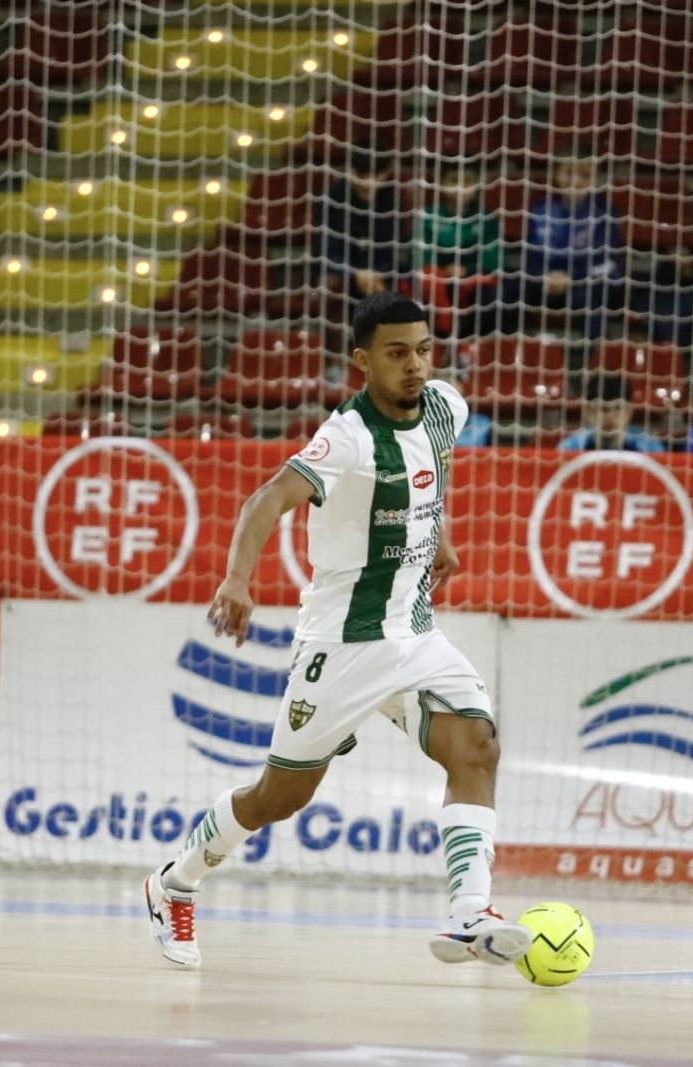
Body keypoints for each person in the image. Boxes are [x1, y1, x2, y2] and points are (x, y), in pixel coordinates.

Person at [143, 292, 533, 971]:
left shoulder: (445, 406)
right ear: (362, 360)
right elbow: (266, 498)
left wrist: (437, 532)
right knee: (280, 798)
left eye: (422, 349)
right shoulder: (346, 438)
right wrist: (237, 579)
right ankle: (173, 881)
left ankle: (470, 910)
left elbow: (431, 467)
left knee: (477, 744)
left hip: (413, 635)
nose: (414, 365)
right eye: (395, 352)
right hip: (340, 647)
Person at [511, 149, 624, 342]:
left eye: (584, 175)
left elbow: (609, 263)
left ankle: (602, 361)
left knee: (586, 298)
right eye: (568, 173)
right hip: (546, 283)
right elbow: (530, 260)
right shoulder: (539, 211)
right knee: (506, 292)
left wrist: (572, 277)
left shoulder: (605, 213)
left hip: (587, 283)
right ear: (556, 174)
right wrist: (545, 277)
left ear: (595, 178)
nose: (575, 180)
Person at [314, 147, 409, 356]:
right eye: (362, 176)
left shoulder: (394, 202)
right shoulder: (330, 201)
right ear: (349, 170)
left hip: (380, 277)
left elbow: (397, 252)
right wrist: (355, 273)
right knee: (329, 286)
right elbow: (325, 253)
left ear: (386, 174)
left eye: (376, 176)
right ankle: (333, 360)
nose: (368, 183)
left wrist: (379, 274)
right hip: (342, 276)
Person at [413, 156, 502, 339]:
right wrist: (445, 270)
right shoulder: (428, 215)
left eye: (467, 181)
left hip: (472, 280)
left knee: (490, 295)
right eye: (454, 181)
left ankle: (471, 346)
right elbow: (418, 256)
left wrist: (466, 270)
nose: (461, 188)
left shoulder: (486, 218)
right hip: (437, 280)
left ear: (477, 184)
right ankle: (438, 338)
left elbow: (492, 259)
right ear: (441, 182)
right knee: (426, 283)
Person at [560, 373, 664, 452]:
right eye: (603, 409)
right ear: (587, 412)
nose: (610, 416)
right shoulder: (570, 447)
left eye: (618, 408)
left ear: (629, 412)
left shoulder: (650, 447)